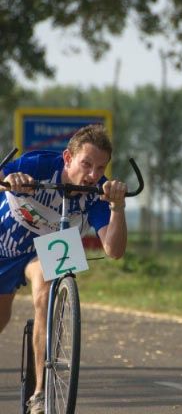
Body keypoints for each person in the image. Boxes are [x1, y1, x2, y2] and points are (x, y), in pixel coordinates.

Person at [0, 124, 127, 414]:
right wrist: (11, 177)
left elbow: (114, 251)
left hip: (51, 244)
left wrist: (117, 208)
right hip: (3, 241)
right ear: (68, 158)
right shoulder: (41, 162)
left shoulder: (97, 193)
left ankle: (41, 394)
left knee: (47, 292)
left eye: (101, 167)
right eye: (87, 164)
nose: (94, 175)